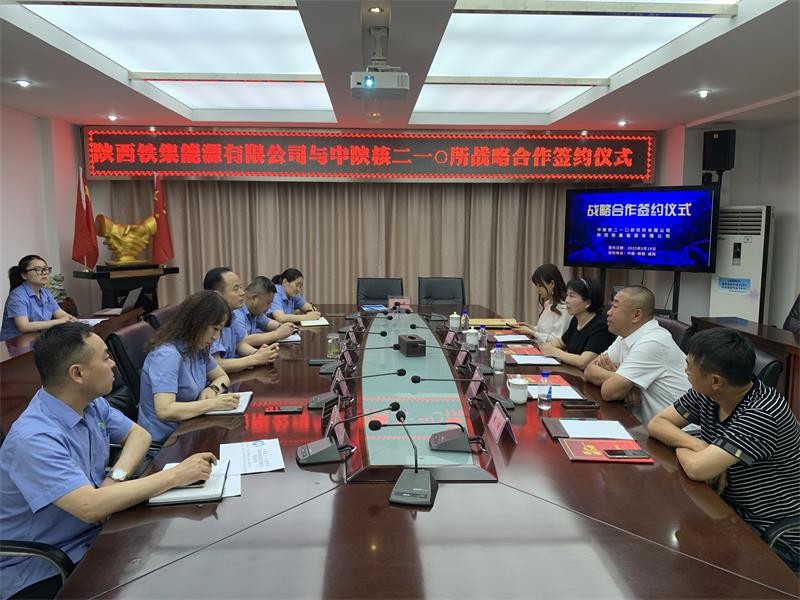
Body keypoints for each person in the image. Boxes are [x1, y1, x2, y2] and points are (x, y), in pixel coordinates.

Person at [0, 323, 216, 599]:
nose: (113, 363)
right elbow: (89, 507)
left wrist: (116, 477)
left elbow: (139, 435)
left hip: (97, 533)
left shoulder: (89, 403)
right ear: (77, 373)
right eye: (105, 358)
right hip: (44, 565)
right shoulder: (34, 438)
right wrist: (175, 476)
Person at [648, 328, 800, 573]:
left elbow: (697, 469)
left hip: (773, 536)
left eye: (689, 366)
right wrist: (698, 445)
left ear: (716, 381)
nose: (685, 371)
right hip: (726, 510)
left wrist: (695, 452)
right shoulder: (708, 393)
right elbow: (658, 423)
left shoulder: (762, 413)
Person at [138, 291, 240, 447]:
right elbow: (165, 411)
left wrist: (212, 389)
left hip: (190, 430)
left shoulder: (196, 347)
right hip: (165, 445)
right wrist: (213, 404)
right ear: (197, 322)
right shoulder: (167, 355)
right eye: (215, 328)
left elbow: (222, 377)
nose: (216, 337)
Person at [585, 285, 690, 424]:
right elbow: (589, 370)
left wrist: (621, 382)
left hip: (679, 430)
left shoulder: (653, 342)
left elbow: (608, 392)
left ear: (636, 315)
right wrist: (628, 384)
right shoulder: (626, 335)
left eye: (615, 307)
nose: (608, 312)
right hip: (645, 425)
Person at [202, 267, 278, 373]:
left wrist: (259, 353)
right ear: (218, 295)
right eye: (236, 289)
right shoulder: (208, 320)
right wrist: (254, 359)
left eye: (241, 287)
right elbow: (216, 364)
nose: (242, 293)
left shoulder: (231, 314)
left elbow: (239, 344)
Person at [537, 277, 616, 370]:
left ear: (588, 303)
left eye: (572, 296)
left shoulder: (601, 326)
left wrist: (554, 351)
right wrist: (549, 345)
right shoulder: (576, 319)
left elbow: (583, 362)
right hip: (572, 372)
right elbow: (561, 342)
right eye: (567, 295)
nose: (566, 300)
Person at [1, 255, 76, 341]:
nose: (44, 273)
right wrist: (60, 321)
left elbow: (60, 314)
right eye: (38, 269)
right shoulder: (17, 296)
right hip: (14, 343)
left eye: (46, 269)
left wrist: (70, 319)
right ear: (24, 275)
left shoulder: (45, 292)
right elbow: (24, 326)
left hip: (37, 339)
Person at [513, 263, 570, 343]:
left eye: (540, 286)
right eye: (537, 286)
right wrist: (530, 327)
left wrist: (532, 333)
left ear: (552, 284)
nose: (538, 290)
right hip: (540, 346)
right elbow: (544, 331)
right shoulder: (548, 304)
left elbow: (558, 340)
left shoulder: (564, 308)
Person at [234, 276, 296, 347]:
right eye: (268, 303)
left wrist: (284, 327)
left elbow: (268, 323)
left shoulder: (255, 311)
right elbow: (244, 341)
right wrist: (277, 334)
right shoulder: (236, 312)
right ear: (254, 298)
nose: (270, 307)